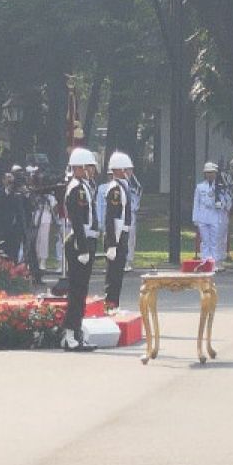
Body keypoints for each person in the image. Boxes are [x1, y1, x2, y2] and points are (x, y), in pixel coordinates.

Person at [60, 147, 100, 350]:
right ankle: (69, 335)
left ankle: (77, 331)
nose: (92, 171)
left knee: (81, 290)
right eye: (89, 167)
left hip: (85, 241)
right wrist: (83, 247)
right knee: (76, 291)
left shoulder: (84, 186)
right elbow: (77, 220)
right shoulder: (77, 188)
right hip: (78, 242)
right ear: (80, 167)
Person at [101, 152, 134, 312]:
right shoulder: (115, 189)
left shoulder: (123, 186)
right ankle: (110, 304)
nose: (129, 172)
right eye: (127, 169)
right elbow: (111, 218)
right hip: (116, 235)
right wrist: (112, 244)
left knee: (118, 273)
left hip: (122, 233)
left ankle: (115, 304)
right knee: (113, 275)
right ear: (119, 170)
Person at [193, 162, 224, 263]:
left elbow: (225, 200)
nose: (210, 175)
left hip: (215, 215)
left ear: (215, 174)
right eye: (208, 172)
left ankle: (214, 262)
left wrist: (221, 204)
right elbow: (196, 203)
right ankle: (205, 261)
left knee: (214, 241)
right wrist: (195, 218)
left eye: (212, 172)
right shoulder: (200, 187)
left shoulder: (220, 186)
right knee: (205, 241)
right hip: (203, 216)